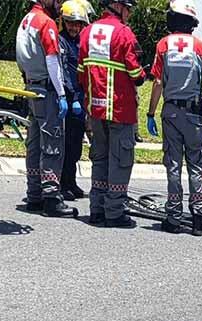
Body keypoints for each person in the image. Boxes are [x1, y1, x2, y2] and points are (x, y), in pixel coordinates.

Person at [146, 0, 202, 236]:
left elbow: (157, 82)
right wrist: (199, 95)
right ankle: (198, 219)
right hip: (194, 114)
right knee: (196, 166)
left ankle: (173, 218)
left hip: (171, 112)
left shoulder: (163, 45)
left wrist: (150, 113)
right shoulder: (200, 47)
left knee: (173, 166)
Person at [78, 0, 146, 228]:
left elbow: (80, 72)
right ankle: (114, 212)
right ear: (118, 5)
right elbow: (136, 73)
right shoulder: (124, 34)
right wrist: (141, 75)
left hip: (95, 110)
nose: (129, 13)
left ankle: (96, 209)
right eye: (128, 8)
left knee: (100, 158)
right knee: (120, 161)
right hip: (119, 109)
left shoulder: (87, 32)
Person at [16, 0, 78, 218]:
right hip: (48, 89)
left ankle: (34, 194)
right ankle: (51, 197)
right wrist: (61, 94)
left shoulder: (26, 20)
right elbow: (53, 60)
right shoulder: (46, 22)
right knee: (52, 142)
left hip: (32, 88)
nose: (60, 4)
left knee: (34, 143)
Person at [58, 0, 93, 201]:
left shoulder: (81, 42)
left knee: (76, 146)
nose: (73, 27)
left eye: (77, 24)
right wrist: (71, 97)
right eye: (70, 23)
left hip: (80, 99)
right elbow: (64, 72)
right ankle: (63, 184)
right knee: (66, 145)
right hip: (69, 99)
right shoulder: (61, 41)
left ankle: (71, 181)